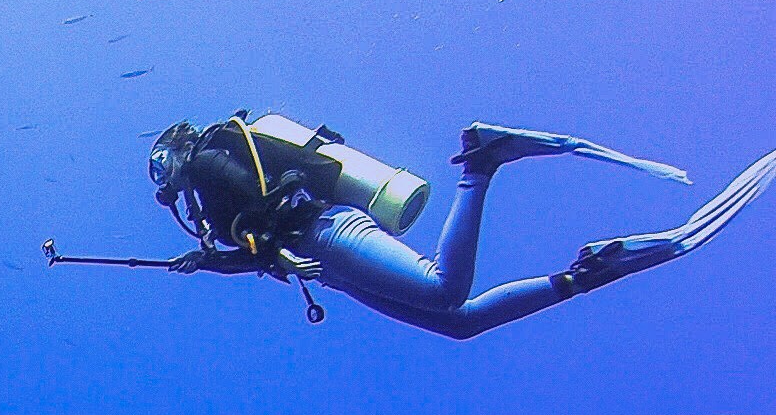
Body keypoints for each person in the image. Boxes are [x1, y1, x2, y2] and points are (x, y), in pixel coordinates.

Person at [49, 113, 776, 338]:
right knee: (458, 323)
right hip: (319, 253)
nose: (163, 181)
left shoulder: (210, 163)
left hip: (325, 234)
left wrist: (237, 250)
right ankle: (584, 273)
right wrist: (208, 261)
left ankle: (481, 163)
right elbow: (255, 241)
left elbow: (276, 216)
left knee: (440, 287)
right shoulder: (211, 192)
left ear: (174, 154)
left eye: (158, 168)